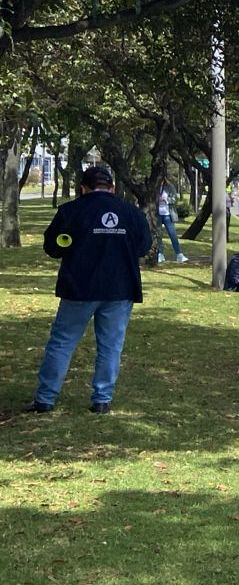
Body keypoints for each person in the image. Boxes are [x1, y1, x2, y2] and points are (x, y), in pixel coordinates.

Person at [29, 166, 152, 414]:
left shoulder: (71, 211)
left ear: (83, 188)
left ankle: (45, 399)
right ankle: (102, 399)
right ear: (112, 188)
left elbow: (53, 248)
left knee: (62, 342)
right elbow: (143, 247)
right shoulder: (131, 213)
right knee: (111, 346)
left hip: (79, 288)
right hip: (120, 288)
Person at [155, 183, 187, 263]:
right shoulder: (155, 186)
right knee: (158, 235)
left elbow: (175, 198)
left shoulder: (169, 187)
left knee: (172, 235)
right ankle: (160, 254)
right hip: (158, 214)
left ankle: (179, 254)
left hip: (167, 214)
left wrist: (166, 200)